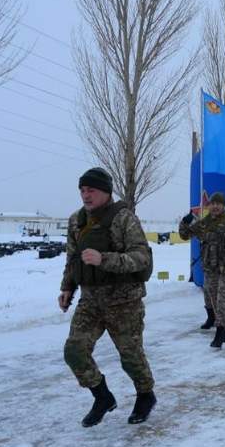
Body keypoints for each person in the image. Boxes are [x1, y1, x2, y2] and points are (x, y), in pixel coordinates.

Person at [59, 167, 156, 427]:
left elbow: (141, 257)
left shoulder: (124, 218)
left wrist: (105, 259)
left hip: (123, 301)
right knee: (74, 351)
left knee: (131, 356)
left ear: (105, 192)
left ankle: (145, 395)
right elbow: (72, 258)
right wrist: (67, 287)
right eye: (82, 190)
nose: (85, 195)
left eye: (91, 190)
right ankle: (102, 396)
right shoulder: (76, 221)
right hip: (90, 300)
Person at [179, 192, 225, 348]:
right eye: (212, 204)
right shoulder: (203, 223)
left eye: (218, 204)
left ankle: (220, 331)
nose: (215, 206)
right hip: (210, 268)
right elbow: (184, 235)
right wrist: (184, 222)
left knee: (222, 298)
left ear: (224, 206)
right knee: (214, 298)